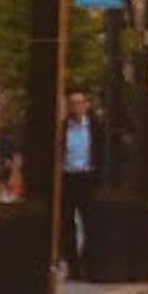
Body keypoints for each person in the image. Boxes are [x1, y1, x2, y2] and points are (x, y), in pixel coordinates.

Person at [53, 93, 104, 274]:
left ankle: (89, 264)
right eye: (72, 103)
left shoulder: (95, 127)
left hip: (87, 176)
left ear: (87, 105)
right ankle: (73, 266)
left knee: (90, 221)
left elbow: (101, 152)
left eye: (80, 103)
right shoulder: (63, 128)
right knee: (67, 222)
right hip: (68, 176)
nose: (76, 107)